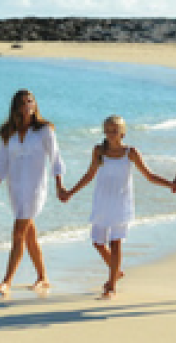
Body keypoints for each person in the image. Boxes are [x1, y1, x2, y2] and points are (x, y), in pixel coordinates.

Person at [62, 115, 174, 299]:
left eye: (115, 130)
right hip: (102, 202)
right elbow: (89, 175)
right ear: (104, 132)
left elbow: (150, 176)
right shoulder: (98, 151)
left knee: (115, 243)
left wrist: (170, 184)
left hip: (120, 203)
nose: (111, 133)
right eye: (108, 130)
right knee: (98, 242)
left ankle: (111, 286)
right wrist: (70, 192)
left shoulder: (130, 152)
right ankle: (117, 271)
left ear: (123, 133)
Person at [0, 89, 66, 294]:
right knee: (29, 234)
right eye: (23, 102)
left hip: (36, 186)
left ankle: (7, 281)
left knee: (18, 231)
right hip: (16, 187)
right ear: (16, 107)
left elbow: (55, 158)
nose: (28, 104)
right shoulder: (7, 132)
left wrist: (59, 184)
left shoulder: (45, 130)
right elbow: (2, 162)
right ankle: (43, 277)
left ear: (35, 104)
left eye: (31, 101)